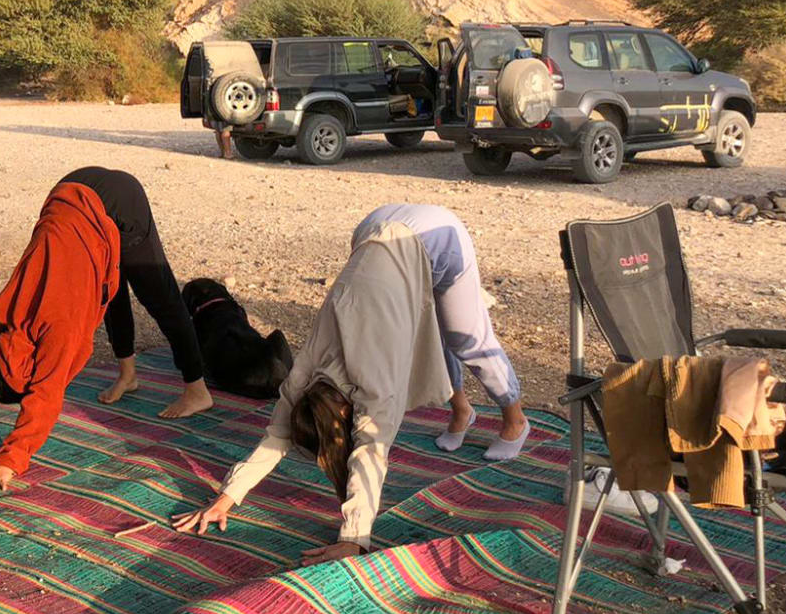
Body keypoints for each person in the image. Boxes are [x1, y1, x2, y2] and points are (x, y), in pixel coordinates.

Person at [173, 217, 457, 565]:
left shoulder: (376, 389)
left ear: (343, 417)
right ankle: (461, 409)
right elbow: (276, 437)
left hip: (429, 235)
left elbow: (370, 455)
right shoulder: (301, 380)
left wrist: (354, 539)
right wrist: (225, 498)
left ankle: (472, 413)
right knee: (442, 345)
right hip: (368, 233)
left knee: (464, 338)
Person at [0, 181, 120, 492]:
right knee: (101, 289)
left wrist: (11, 460)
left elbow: (46, 393)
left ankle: (145, 376)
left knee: (154, 294)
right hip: (68, 202)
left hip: (115, 201)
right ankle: (130, 371)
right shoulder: (5, 322)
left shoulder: (60, 329)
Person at [351, 204, 529, 459]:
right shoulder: (352, 294)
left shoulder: (386, 291)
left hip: (442, 240)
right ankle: (461, 411)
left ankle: (516, 420)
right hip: (381, 232)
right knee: (430, 336)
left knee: (466, 338)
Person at [61, 167, 212, 419]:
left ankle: (197, 390)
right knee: (109, 293)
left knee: (160, 297)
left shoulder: (63, 241)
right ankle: (127, 376)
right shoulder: (58, 241)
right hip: (89, 212)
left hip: (123, 202)